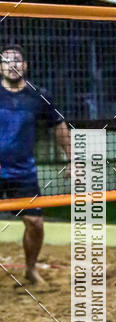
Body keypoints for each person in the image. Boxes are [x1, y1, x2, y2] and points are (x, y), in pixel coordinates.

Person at [0, 44, 70, 285]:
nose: (12, 64)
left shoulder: (38, 94)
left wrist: (72, 159)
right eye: (6, 60)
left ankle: (30, 270)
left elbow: (58, 126)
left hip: (23, 173)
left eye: (16, 60)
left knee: (35, 223)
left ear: (25, 66)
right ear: (1, 67)